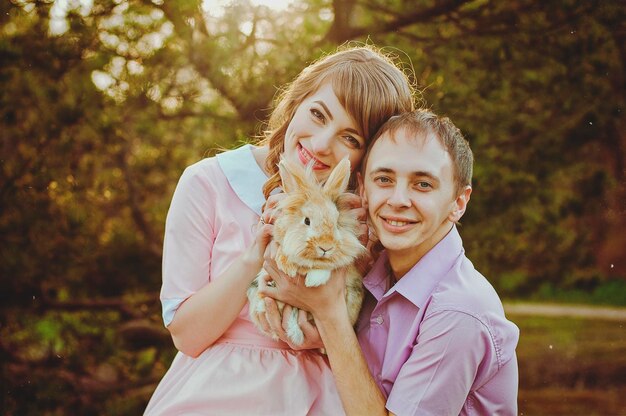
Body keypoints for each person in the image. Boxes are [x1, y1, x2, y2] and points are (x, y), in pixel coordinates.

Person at [144, 45, 416, 415]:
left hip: (323, 396)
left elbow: (376, 337)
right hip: (217, 392)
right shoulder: (208, 181)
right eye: (318, 115)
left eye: (349, 138)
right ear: (297, 101)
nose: (320, 145)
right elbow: (187, 336)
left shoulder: (364, 218)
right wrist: (256, 254)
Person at [260, 109, 520, 415]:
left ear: (458, 203)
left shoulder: (458, 313)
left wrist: (329, 313)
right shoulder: (368, 272)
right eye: (384, 179)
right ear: (364, 190)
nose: (398, 199)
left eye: (423, 184)